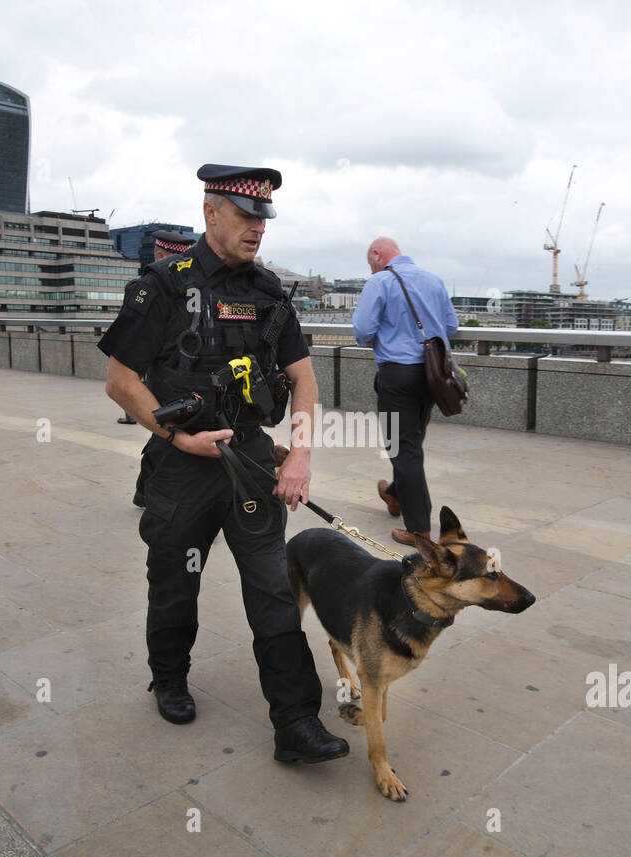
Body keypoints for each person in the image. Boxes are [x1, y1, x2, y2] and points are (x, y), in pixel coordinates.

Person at [99, 163, 347, 765]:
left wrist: (301, 454)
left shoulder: (267, 291)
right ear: (211, 213)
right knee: (175, 582)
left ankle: (296, 723)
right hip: (183, 463)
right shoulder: (162, 284)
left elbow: (305, 381)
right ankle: (170, 677)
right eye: (245, 215)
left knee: (272, 590)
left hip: (253, 463)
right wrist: (177, 438)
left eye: (263, 217)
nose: (257, 228)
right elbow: (121, 382)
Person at [351, 237, 459, 544]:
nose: (370, 268)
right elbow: (450, 326)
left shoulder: (380, 281)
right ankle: (395, 495)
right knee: (411, 442)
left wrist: (387, 335)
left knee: (402, 449)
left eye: (369, 262)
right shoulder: (434, 280)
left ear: (377, 254)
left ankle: (419, 530)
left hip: (398, 374)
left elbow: (361, 331)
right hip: (432, 374)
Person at [118, 230, 196, 427]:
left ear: (159, 256)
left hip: (161, 367)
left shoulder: (145, 287)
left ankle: (132, 414)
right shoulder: (198, 289)